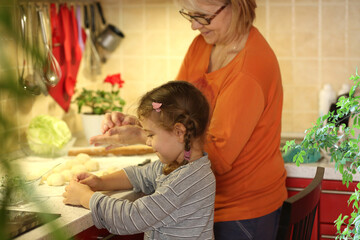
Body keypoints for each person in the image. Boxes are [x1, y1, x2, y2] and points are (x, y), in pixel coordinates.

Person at [90, 0, 287, 239]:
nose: (194, 25)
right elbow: (173, 112)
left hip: (241, 210)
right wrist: (142, 123)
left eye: (203, 16)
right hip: (203, 203)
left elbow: (218, 157)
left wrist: (145, 137)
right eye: (190, 15)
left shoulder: (250, 69)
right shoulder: (202, 45)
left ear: (235, 5)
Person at [63, 81, 216, 239]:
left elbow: (132, 217)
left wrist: (85, 198)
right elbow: (139, 174)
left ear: (179, 132)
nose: (147, 142)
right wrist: (100, 182)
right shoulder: (182, 166)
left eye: (150, 134)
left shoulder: (186, 181)